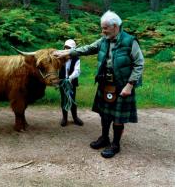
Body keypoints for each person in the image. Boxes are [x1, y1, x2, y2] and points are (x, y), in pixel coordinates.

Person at [53, 10, 144, 158]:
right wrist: (67, 53)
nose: (103, 31)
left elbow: (139, 64)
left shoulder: (130, 41)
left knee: (118, 117)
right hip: (105, 83)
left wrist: (130, 84)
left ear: (115, 26)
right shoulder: (104, 40)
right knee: (105, 114)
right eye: (102, 28)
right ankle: (104, 138)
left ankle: (115, 144)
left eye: (105, 28)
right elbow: (88, 48)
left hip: (122, 84)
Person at [59, 39, 83, 127]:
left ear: (72, 49)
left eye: (68, 48)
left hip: (72, 82)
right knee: (64, 99)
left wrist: (70, 78)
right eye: (65, 48)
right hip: (62, 82)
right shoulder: (60, 58)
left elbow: (77, 71)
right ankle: (64, 118)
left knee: (72, 99)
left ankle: (75, 117)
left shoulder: (76, 59)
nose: (66, 50)